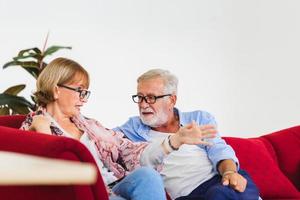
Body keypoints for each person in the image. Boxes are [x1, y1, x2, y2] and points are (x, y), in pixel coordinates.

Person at [20, 58, 214, 200]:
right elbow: (39, 171)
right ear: (56, 89)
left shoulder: (90, 125)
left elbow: (128, 150)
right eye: (80, 91)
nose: (83, 99)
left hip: (113, 186)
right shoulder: (35, 124)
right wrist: (43, 128)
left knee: (148, 176)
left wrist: (173, 141)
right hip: (86, 193)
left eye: (85, 92)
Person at [114, 69, 260, 200]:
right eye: (140, 97)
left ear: (171, 100)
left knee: (220, 193)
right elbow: (99, 138)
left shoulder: (198, 119)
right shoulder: (132, 129)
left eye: (151, 97)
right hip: (187, 196)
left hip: (220, 181)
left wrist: (229, 173)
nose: (143, 104)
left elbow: (219, 150)